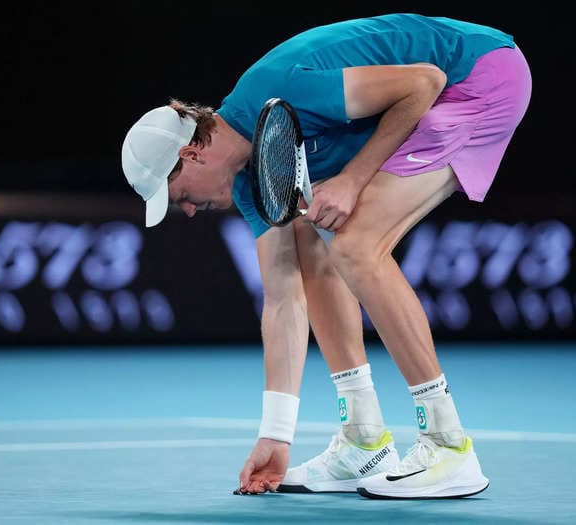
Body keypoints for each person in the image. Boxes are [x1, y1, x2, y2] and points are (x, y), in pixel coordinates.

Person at [120, 13, 531, 499]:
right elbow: (281, 299)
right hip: (442, 87)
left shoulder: (279, 91)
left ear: (189, 155)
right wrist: (276, 434)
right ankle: (364, 441)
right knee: (314, 250)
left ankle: (449, 446)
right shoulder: (253, 185)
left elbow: (425, 82)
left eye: (176, 195)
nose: (187, 211)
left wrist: (354, 178)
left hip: (478, 72)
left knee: (357, 246)